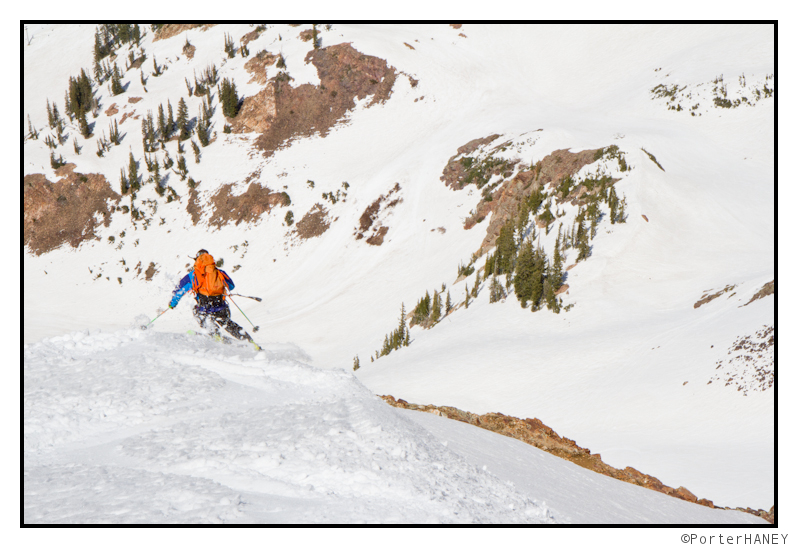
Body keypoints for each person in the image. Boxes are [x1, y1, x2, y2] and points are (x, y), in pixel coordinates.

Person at [169, 249, 255, 344]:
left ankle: (214, 335)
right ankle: (249, 341)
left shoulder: (192, 275)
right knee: (227, 323)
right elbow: (231, 286)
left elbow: (179, 291)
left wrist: (173, 304)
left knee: (198, 312)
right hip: (221, 307)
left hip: (204, 308)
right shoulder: (219, 272)